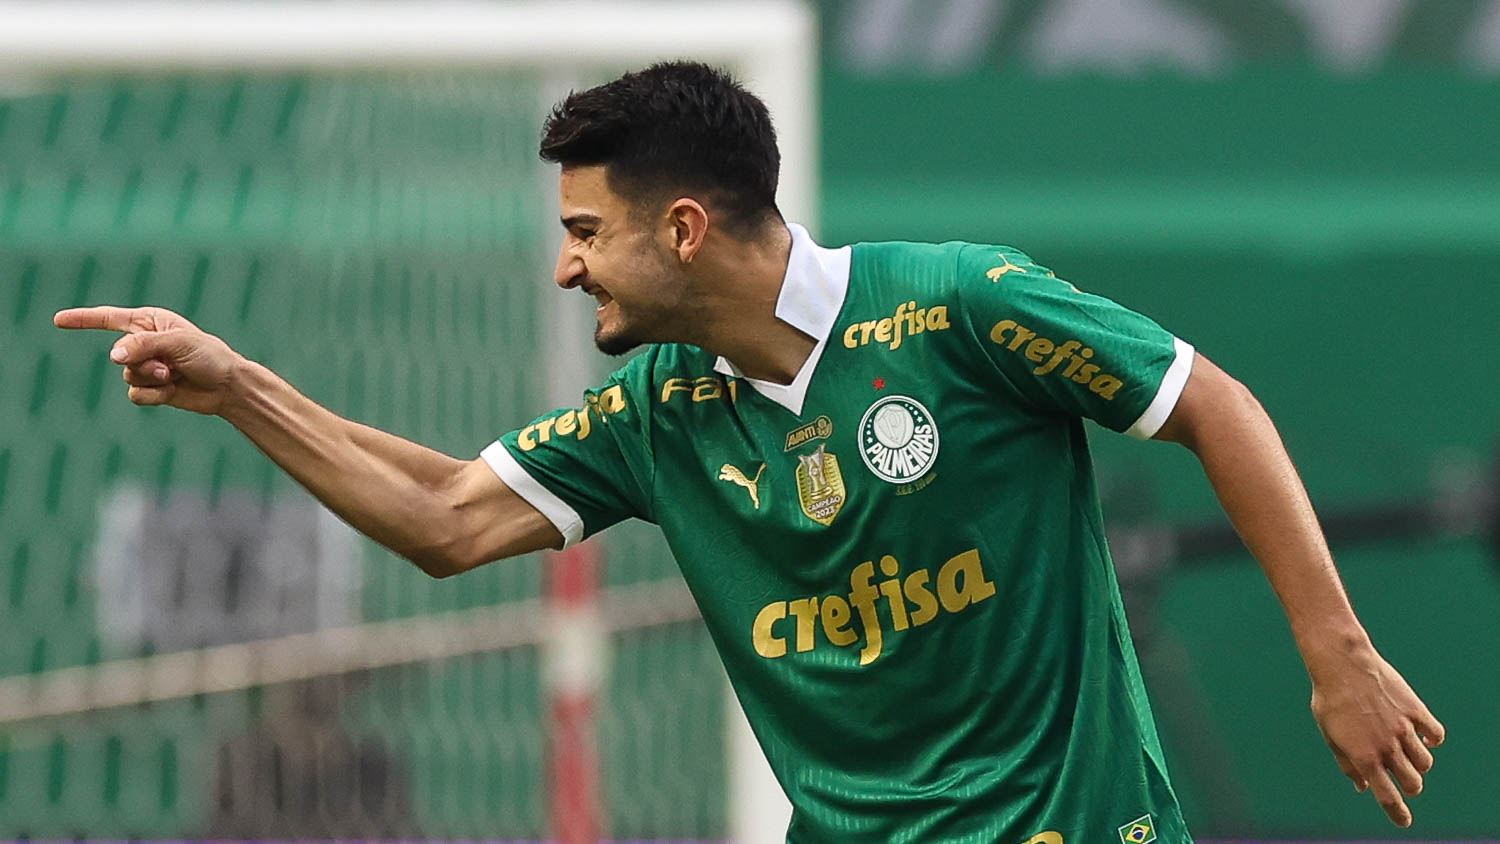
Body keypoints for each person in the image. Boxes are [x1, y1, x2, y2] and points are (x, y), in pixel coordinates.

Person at [55, 61, 1444, 842]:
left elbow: (1214, 402)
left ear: (680, 232)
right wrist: (238, 390)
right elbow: (444, 515)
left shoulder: (959, 308)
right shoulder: (657, 418)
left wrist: (1335, 656)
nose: (560, 269)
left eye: (584, 233)